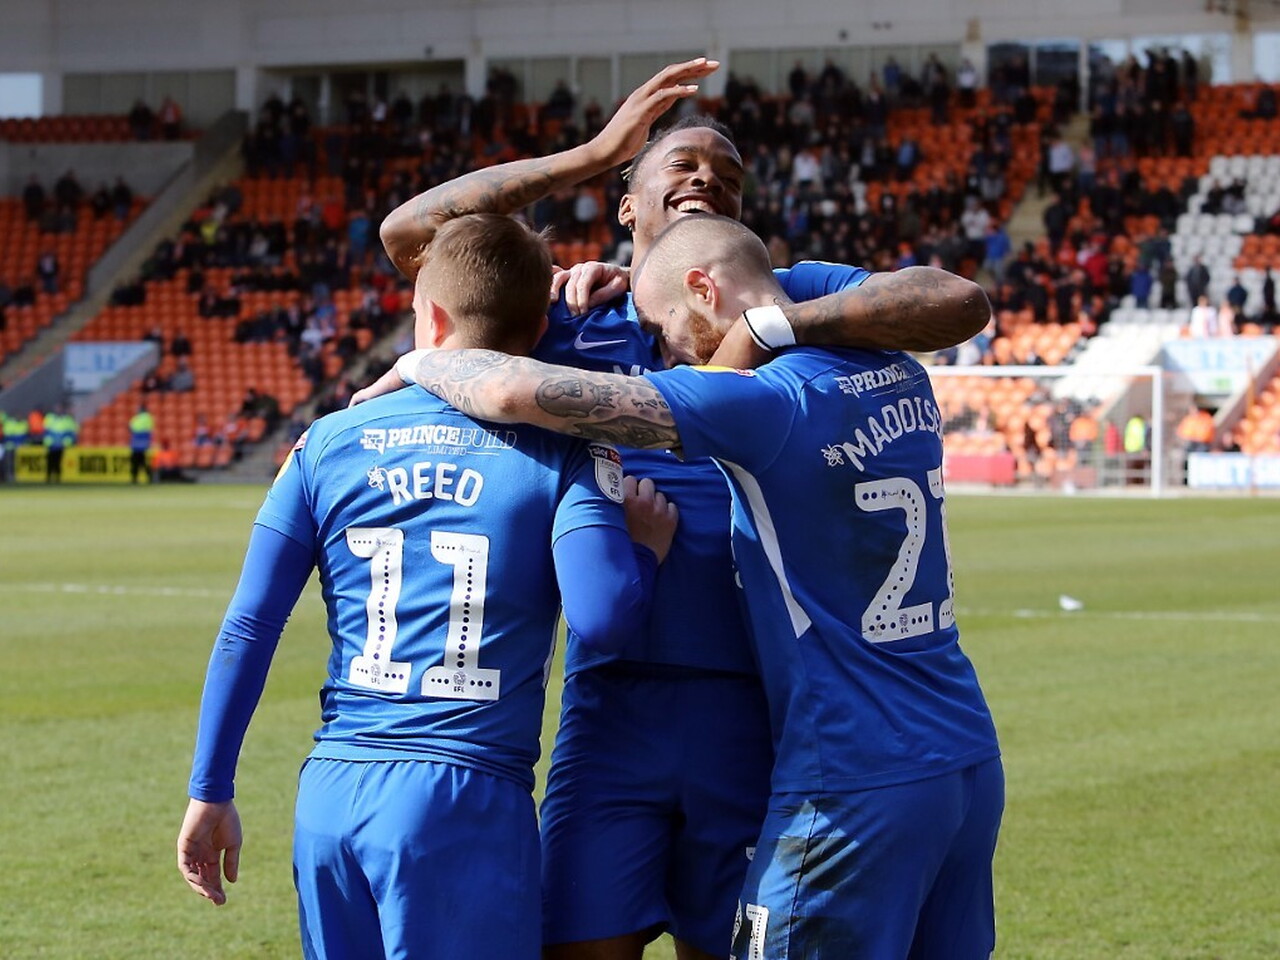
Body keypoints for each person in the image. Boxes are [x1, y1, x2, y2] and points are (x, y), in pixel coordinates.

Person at [376, 57, 990, 960]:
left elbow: (955, 299)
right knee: (578, 946)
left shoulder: (791, 289)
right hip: (611, 698)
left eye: (729, 175)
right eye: (682, 164)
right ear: (628, 205)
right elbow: (411, 238)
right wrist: (593, 153)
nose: (708, 177)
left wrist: (770, 325)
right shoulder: (567, 314)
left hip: (752, 699)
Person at [176, 213, 678, 960]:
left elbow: (250, 624)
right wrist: (645, 551)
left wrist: (210, 788)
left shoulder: (327, 440)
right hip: (463, 798)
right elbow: (603, 618)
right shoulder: (565, 449)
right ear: (540, 330)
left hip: (333, 794)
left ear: (431, 318)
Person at [44, 402, 77, 483]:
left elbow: (71, 433)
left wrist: (66, 442)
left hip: (61, 445)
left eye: (60, 408)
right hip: (51, 445)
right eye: (57, 408)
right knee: (49, 461)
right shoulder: (49, 418)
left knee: (58, 462)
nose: (58, 410)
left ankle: (57, 478)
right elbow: (46, 431)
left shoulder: (67, 420)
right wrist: (48, 441)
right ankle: (48, 477)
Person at [128, 402, 154, 483]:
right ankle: (149, 477)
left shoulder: (139, 417)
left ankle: (135, 478)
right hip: (143, 442)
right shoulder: (148, 417)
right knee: (142, 462)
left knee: (136, 462)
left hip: (137, 443)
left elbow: (132, 427)